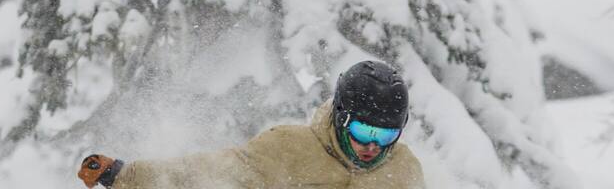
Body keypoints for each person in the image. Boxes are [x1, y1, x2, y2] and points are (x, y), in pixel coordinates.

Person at [76, 60, 424, 188]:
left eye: (386, 135)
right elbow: (202, 175)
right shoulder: (288, 149)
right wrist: (123, 174)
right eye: (364, 131)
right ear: (341, 118)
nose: (372, 146)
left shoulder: (404, 170)